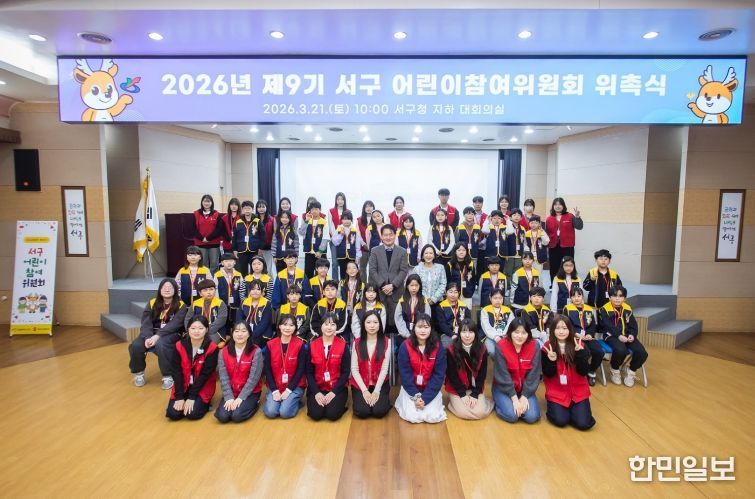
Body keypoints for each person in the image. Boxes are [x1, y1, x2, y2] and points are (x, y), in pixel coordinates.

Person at [129, 278, 188, 389]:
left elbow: (175, 324)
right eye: (164, 287)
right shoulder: (152, 302)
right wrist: (147, 337)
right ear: (160, 290)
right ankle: (139, 373)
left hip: (172, 333)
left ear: (175, 290)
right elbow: (146, 322)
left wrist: (157, 336)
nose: (167, 289)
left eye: (170, 288)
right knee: (136, 345)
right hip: (151, 332)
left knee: (162, 344)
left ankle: (168, 376)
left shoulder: (181, 305)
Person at [541, 315, 596, 430]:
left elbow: (584, 372)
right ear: (552, 330)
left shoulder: (579, 345)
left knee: (583, 424)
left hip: (578, 391)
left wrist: (580, 355)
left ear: (570, 329)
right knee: (561, 421)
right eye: (558, 328)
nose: (561, 331)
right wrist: (552, 361)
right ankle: (564, 410)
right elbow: (547, 374)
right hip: (557, 392)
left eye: (565, 328)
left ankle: (574, 410)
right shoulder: (547, 347)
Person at [395, 312, 448, 423]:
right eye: (419, 327)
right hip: (411, 389)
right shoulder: (405, 346)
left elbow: (439, 375)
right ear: (414, 328)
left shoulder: (438, 347)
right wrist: (416, 396)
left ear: (431, 329)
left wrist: (425, 398)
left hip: (430, 389)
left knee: (432, 417)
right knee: (413, 417)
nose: (423, 330)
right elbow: (405, 375)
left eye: (426, 327)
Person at [165, 315, 218, 421]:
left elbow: (205, 375)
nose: (196, 331)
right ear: (188, 329)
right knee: (173, 414)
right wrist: (180, 397)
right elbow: (176, 372)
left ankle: (206, 404)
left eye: (200, 328)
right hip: (183, 384)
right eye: (193, 328)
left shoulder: (212, 348)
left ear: (206, 329)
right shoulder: (179, 345)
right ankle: (187, 401)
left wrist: (191, 397)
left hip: (202, 386)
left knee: (192, 414)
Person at [492, 318, 542, 424]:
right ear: (510, 332)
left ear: (528, 334)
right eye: (516, 332)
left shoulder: (535, 346)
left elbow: (534, 374)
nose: (520, 336)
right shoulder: (501, 345)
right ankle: (500, 404)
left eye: (524, 333)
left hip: (525, 388)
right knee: (512, 416)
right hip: (504, 388)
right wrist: (514, 399)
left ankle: (518, 403)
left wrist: (525, 396)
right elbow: (502, 375)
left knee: (532, 417)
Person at [597, 285, 648, 387]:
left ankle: (631, 371)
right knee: (621, 350)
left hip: (627, 336)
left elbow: (633, 325)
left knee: (642, 353)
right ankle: (614, 369)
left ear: (624, 298)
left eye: (620, 296)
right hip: (611, 336)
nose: (617, 298)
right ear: (610, 297)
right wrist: (619, 336)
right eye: (614, 296)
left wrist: (632, 335)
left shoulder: (627, 308)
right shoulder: (604, 309)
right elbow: (608, 326)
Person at [214, 322, 264, 423]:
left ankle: (255, 403)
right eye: (236, 331)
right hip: (232, 391)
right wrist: (229, 397)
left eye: (243, 331)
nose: (240, 334)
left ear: (249, 334)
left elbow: (253, 379)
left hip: (250, 392)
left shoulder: (256, 351)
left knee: (237, 416)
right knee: (222, 417)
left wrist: (241, 398)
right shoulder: (223, 352)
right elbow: (223, 377)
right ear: (232, 334)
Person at [445, 318, 494, 420]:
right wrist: (462, 395)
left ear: (475, 333)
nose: (467, 335)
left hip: (475, 387)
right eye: (464, 332)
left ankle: (486, 403)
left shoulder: (482, 348)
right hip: (457, 388)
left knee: (480, 413)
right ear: (459, 333)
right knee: (463, 412)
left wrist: (475, 394)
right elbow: (452, 375)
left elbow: (482, 374)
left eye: (471, 332)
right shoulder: (451, 349)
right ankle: (453, 404)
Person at [306, 312, 350, 421]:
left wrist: (334, 392)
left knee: (332, 415)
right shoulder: (312, 345)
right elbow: (309, 372)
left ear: (336, 327)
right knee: (315, 414)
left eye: (332, 324)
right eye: (326, 324)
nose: (329, 327)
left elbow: (345, 372)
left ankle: (340, 403)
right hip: (317, 387)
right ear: (321, 326)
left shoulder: (343, 345)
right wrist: (316, 393)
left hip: (337, 388)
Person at [368, 224, 410, 335]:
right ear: (381, 236)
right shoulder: (375, 251)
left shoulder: (402, 251)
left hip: (396, 291)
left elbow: (403, 270)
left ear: (395, 235)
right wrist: (383, 286)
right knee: (380, 322)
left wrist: (393, 285)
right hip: (379, 291)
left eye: (391, 234)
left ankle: (395, 344)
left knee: (396, 322)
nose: (388, 237)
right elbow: (372, 270)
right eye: (385, 235)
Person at [263, 314, 307, 419]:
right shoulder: (270, 344)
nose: (287, 328)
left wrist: (289, 390)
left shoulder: (300, 344)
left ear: (295, 328)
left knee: (285, 413)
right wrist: (274, 390)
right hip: (275, 385)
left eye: (291, 325)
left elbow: (301, 369)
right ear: (279, 326)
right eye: (285, 324)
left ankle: (295, 401)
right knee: (271, 412)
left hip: (294, 386)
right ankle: (281, 400)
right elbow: (267, 369)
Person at [350, 310, 392, 419]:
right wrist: (364, 391)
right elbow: (354, 369)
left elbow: (384, 369)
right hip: (361, 384)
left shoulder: (387, 342)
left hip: (379, 383)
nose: (372, 325)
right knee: (362, 412)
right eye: (368, 322)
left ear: (380, 324)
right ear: (363, 324)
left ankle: (384, 400)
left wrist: (377, 391)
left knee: (379, 412)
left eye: (375, 322)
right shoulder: (357, 342)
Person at [564, 288, 602, 386]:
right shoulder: (567, 309)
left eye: (579, 295)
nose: (576, 298)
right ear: (571, 298)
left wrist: (590, 334)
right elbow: (566, 325)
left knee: (599, 352)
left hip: (587, 337)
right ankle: (581, 372)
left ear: (582, 297)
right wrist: (576, 333)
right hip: (574, 338)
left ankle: (591, 370)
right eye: (573, 296)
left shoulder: (589, 309)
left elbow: (592, 325)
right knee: (584, 352)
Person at [545, 197, 583, 282]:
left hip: (567, 246)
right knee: (554, 266)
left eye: (560, 204)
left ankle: (568, 283)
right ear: (553, 206)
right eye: (556, 204)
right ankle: (554, 283)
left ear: (563, 206)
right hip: (553, 246)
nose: (558, 206)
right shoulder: (549, 218)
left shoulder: (570, 216)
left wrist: (577, 217)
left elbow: (579, 227)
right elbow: (546, 233)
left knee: (568, 265)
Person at [185, 279, 228, 346]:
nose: (209, 292)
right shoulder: (195, 303)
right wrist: (191, 330)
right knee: (188, 343)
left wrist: (205, 330)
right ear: (200, 293)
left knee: (209, 343)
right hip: (196, 330)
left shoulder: (220, 303)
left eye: (211, 289)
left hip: (214, 331)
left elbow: (221, 320)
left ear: (215, 290)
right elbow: (188, 319)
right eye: (205, 290)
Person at [192, 194, 224, 270]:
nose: (206, 203)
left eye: (208, 201)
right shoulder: (196, 213)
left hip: (214, 243)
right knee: (203, 264)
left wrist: (208, 238)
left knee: (214, 264)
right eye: (205, 201)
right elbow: (193, 229)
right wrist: (202, 239)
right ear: (202, 202)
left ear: (212, 203)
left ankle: (214, 278)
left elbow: (219, 229)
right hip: (200, 243)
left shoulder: (216, 214)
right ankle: (205, 278)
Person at [298, 200, 329, 279]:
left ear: (320, 210)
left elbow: (325, 238)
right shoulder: (307, 221)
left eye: (316, 209)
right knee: (308, 272)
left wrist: (320, 251)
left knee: (321, 272)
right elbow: (301, 232)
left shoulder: (324, 222)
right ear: (310, 210)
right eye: (312, 209)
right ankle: (309, 287)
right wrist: (306, 221)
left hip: (320, 253)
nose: (314, 211)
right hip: (309, 251)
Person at [395, 274, 431, 339]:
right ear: (407, 286)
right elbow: (398, 318)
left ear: (420, 286)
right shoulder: (402, 300)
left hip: (421, 332)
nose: (414, 288)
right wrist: (406, 334)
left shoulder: (424, 300)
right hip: (405, 332)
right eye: (411, 285)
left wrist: (420, 332)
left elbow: (427, 318)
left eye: (416, 285)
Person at [238, 279, 273, 347]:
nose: (255, 291)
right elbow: (239, 319)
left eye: (258, 289)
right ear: (249, 291)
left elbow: (264, 323)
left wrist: (251, 335)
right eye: (253, 289)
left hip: (261, 333)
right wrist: (243, 331)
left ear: (262, 291)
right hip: (245, 331)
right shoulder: (244, 302)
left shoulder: (266, 303)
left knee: (250, 345)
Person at [214, 253, 244, 332]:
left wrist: (242, 301)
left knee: (235, 321)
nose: (229, 263)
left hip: (236, 303)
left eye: (231, 261)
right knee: (224, 322)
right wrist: (218, 302)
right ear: (222, 263)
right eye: (226, 261)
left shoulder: (238, 274)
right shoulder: (217, 275)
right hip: (222, 303)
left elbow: (242, 288)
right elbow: (215, 289)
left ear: (235, 262)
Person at [233, 200, 264, 276]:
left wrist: (260, 247)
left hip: (254, 249)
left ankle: (254, 282)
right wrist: (235, 249)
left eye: (249, 208)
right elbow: (234, 237)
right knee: (242, 270)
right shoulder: (238, 222)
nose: (247, 210)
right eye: (245, 208)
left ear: (252, 209)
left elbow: (262, 235)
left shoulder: (257, 221)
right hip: (242, 249)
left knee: (255, 269)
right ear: (242, 210)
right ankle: (244, 283)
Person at [436, 282, 471, 348]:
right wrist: (452, 334)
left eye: (455, 292)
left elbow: (468, 321)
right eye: (450, 292)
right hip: (446, 334)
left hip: (462, 333)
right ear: (446, 292)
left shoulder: (464, 306)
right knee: (447, 345)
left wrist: (461, 333)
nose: (453, 295)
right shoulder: (441, 307)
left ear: (459, 293)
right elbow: (442, 324)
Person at [480, 288, 515, 354]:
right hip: (490, 337)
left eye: (500, 298)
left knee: (509, 351)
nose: (498, 300)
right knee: (492, 351)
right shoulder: (485, 310)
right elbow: (486, 326)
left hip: (505, 336)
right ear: (490, 298)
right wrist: (495, 337)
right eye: (495, 298)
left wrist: (504, 334)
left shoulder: (508, 310)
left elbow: (511, 324)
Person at [331, 210, 363, 281]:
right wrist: (341, 235)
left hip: (352, 256)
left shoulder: (355, 230)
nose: (346, 221)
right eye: (344, 219)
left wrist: (358, 256)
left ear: (351, 220)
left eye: (348, 219)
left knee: (352, 273)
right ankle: (343, 286)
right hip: (341, 256)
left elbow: (357, 244)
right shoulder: (339, 229)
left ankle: (352, 286)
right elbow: (335, 242)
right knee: (343, 272)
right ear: (342, 220)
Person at [412, 244, 447, 308]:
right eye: (426, 253)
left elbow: (443, 284)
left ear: (434, 255)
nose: (428, 255)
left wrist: (434, 299)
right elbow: (415, 285)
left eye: (431, 253)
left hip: (438, 302)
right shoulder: (416, 269)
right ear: (422, 255)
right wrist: (426, 298)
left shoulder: (440, 268)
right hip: (421, 302)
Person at [456, 207, 483, 277]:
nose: (470, 216)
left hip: (474, 254)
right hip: (463, 255)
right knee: (463, 272)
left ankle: (473, 284)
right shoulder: (459, 227)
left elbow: (479, 240)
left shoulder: (477, 227)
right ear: (464, 215)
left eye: (472, 214)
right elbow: (456, 242)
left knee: (473, 272)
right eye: (468, 214)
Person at [524, 215, 549, 288]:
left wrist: (542, 233)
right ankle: (530, 287)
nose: (534, 224)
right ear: (529, 223)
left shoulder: (541, 232)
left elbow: (546, 242)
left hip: (539, 256)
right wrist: (527, 250)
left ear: (539, 224)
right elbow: (524, 243)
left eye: (536, 223)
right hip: (529, 256)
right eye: (532, 223)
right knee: (529, 272)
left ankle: (539, 288)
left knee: (538, 273)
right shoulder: (527, 233)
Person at [503, 209, 526, 286]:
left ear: (521, 218)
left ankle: (515, 288)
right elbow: (504, 242)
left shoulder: (522, 228)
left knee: (517, 273)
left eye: (519, 215)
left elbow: (524, 242)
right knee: (508, 272)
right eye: (514, 215)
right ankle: (507, 287)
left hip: (519, 255)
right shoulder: (506, 227)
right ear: (510, 217)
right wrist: (505, 254)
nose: (516, 217)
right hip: (509, 255)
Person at [328, 192, 347, 282]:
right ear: (336, 200)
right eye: (338, 199)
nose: (340, 201)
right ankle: (335, 282)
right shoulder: (331, 211)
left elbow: (349, 225)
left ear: (344, 201)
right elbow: (330, 225)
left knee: (343, 262)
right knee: (335, 263)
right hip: (334, 240)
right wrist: (335, 237)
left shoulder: (347, 211)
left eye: (342, 199)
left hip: (344, 241)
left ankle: (344, 283)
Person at [429, 208, 455, 273]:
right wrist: (436, 251)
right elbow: (429, 241)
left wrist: (447, 251)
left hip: (447, 255)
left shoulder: (449, 227)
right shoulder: (432, 227)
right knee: (436, 272)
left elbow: (452, 241)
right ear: (435, 217)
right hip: (436, 255)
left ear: (446, 217)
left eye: (442, 215)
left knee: (447, 271)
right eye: (438, 215)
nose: (440, 217)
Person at [357, 200, 375, 283]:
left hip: (374, 248)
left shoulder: (376, 219)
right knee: (362, 268)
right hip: (363, 248)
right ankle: (363, 286)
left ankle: (371, 286)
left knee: (373, 269)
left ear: (373, 208)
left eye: (370, 206)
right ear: (364, 208)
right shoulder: (359, 220)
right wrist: (363, 244)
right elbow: (358, 234)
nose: (368, 208)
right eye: (366, 206)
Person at [256, 199, 275, 273]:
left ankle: (268, 280)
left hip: (268, 248)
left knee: (268, 268)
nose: (261, 209)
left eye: (263, 207)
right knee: (257, 268)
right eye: (259, 207)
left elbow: (274, 234)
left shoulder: (272, 220)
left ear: (266, 207)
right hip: (256, 248)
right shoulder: (254, 219)